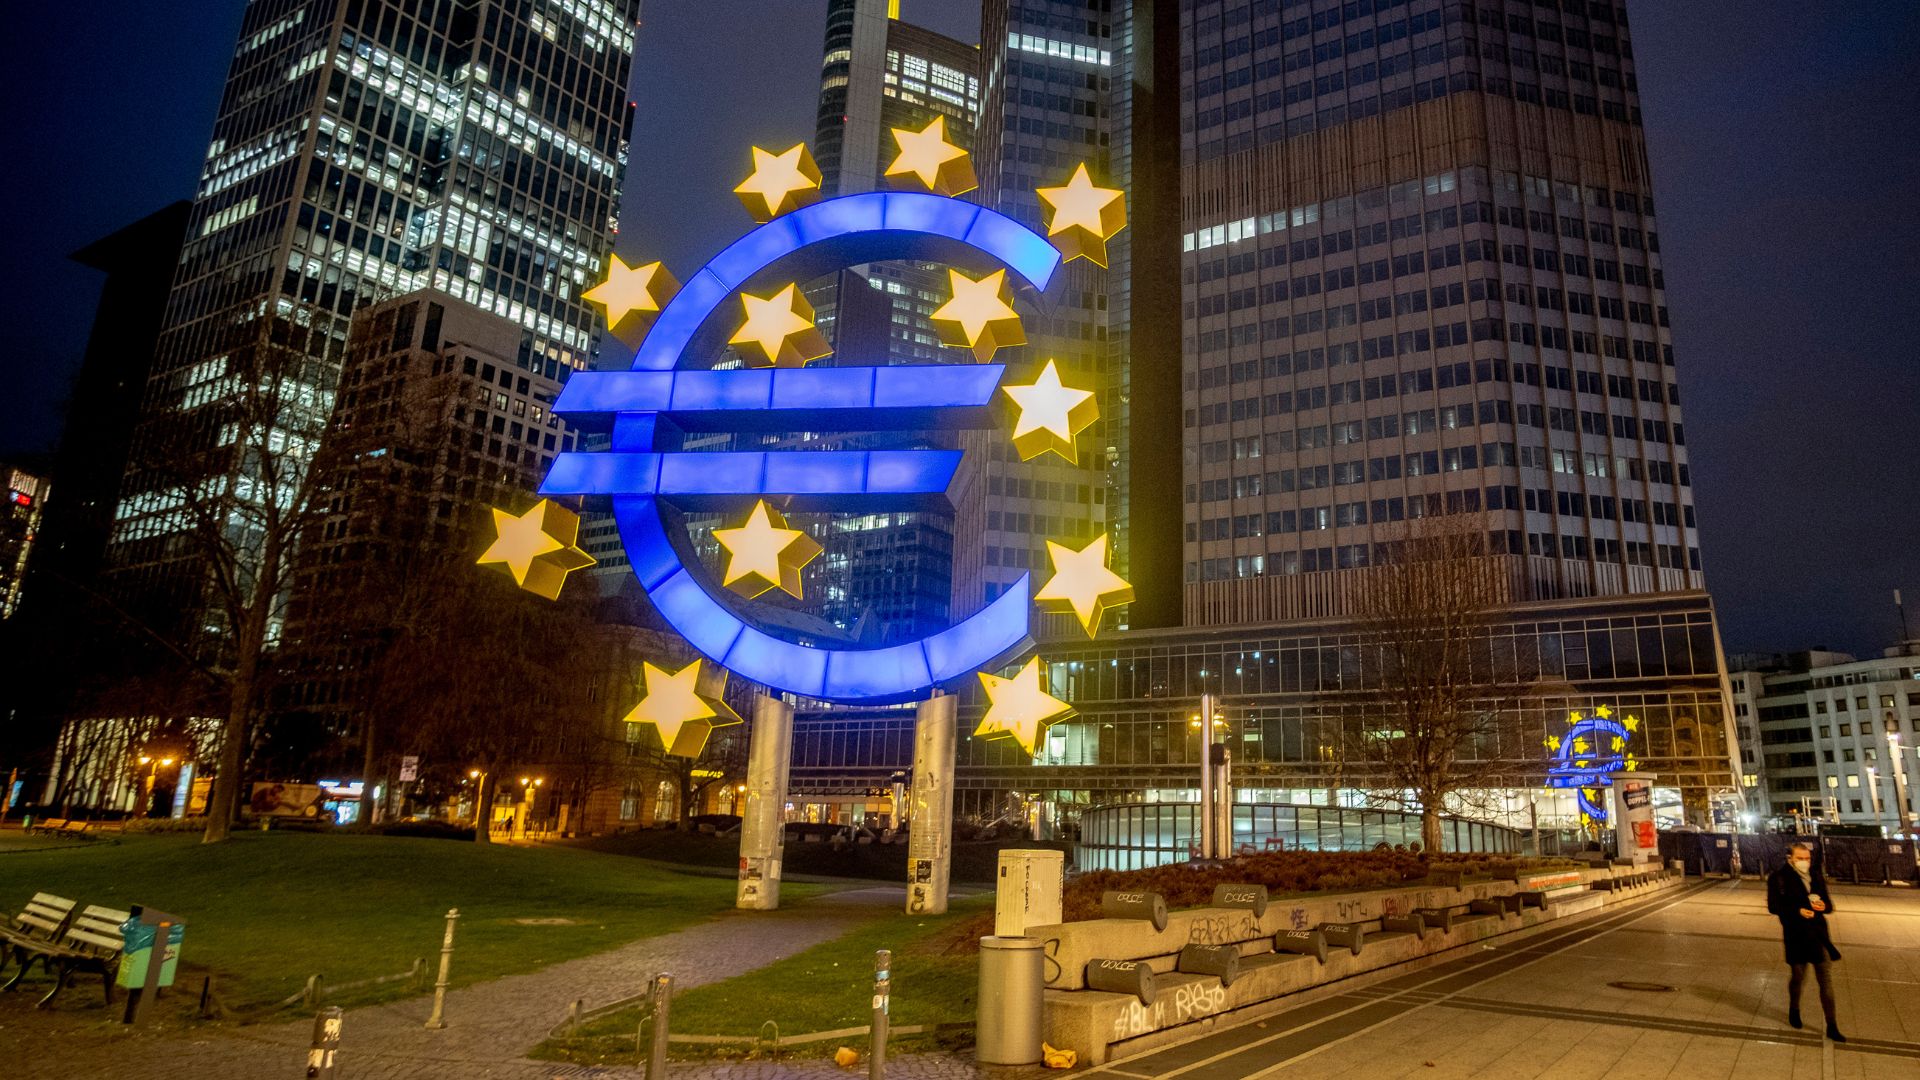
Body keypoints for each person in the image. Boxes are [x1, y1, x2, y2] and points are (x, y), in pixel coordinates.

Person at [1765, 842, 1844, 1041]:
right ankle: (1794, 1008)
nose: (1805, 862)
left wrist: (1822, 905)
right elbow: (1774, 907)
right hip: (1796, 934)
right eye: (1800, 858)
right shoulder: (1779, 878)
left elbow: (1828, 906)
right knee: (1798, 976)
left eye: (1807, 858)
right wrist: (1797, 911)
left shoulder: (1815, 876)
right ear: (1790, 858)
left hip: (1819, 935)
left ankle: (1832, 1025)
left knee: (1825, 980)